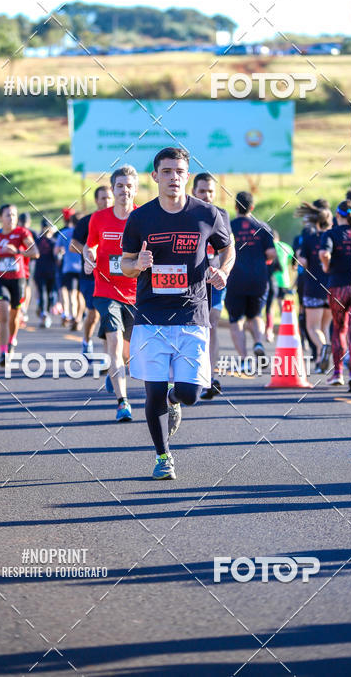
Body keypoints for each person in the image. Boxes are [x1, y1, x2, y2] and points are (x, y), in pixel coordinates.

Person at [121, 147, 234, 479]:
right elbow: (125, 263)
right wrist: (136, 265)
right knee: (152, 390)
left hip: (192, 315)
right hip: (151, 316)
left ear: (187, 175)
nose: (173, 178)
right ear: (155, 176)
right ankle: (163, 456)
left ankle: (175, 400)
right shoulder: (140, 218)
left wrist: (223, 270)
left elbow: (228, 248)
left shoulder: (207, 214)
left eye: (180, 172)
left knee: (191, 394)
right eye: (167, 171)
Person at [84, 168, 138, 421]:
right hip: (105, 290)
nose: (124, 190)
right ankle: (122, 403)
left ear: (135, 189)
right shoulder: (99, 218)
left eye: (129, 186)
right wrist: (89, 255)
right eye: (119, 186)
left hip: (136, 293)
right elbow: (90, 244)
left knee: (129, 354)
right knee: (115, 346)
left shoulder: (143, 217)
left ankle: (113, 374)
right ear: (113, 189)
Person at [192, 172, 232, 400]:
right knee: (195, 327)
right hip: (191, 281)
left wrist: (224, 272)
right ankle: (194, 374)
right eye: (202, 191)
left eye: (210, 191)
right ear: (193, 192)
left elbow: (228, 248)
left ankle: (210, 375)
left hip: (214, 279)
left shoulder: (222, 215)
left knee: (212, 324)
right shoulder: (186, 213)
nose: (206, 196)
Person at [225, 191, 276, 368]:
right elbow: (271, 253)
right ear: (252, 207)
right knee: (255, 315)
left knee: (236, 319)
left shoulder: (229, 226)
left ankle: (244, 359)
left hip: (235, 278)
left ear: (236, 206)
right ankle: (259, 342)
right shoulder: (262, 227)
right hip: (259, 278)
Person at [319, 200, 351, 391]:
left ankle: (338, 373)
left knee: (339, 328)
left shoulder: (331, 233)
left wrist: (327, 266)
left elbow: (324, 253)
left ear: (337, 216)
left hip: (338, 286)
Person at [0, 204, 39, 368]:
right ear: (1, 218)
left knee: (14, 316)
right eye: (8, 215)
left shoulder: (22, 233)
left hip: (18, 279)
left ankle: (11, 341)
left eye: (14, 215)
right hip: (0, 278)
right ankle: (3, 352)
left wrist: (17, 251)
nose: (11, 218)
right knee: (3, 312)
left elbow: (35, 252)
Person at [70, 185, 114, 356]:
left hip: (113, 276)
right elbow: (73, 245)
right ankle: (86, 341)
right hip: (90, 275)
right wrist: (91, 250)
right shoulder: (87, 221)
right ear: (96, 200)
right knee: (93, 315)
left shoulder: (120, 219)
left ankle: (107, 355)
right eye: (103, 198)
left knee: (108, 315)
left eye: (109, 197)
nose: (107, 201)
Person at [297, 206, 333, 374]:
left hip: (313, 287)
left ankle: (322, 347)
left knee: (312, 327)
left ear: (316, 222)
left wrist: (298, 255)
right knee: (325, 326)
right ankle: (321, 361)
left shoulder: (310, 238)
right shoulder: (333, 237)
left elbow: (303, 263)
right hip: (332, 287)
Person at [56, 214, 83, 330]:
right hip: (83, 268)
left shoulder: (65, 233)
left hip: (68, 267)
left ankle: (72, 316)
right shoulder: (85, 233)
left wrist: (60, 257)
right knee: (79, 294)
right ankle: (78, 317)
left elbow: (56, 251)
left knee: (70, 293)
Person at [34, 217, 58, 328]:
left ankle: (44, 312)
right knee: (45, 293)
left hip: (47, 271)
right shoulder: (51, 241)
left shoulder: (40, 241)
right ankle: (44, 313)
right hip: (44, 271)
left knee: (47, 293)